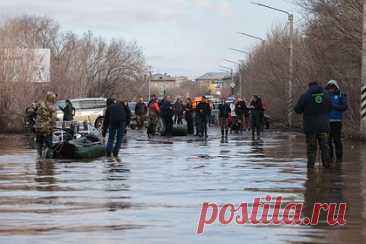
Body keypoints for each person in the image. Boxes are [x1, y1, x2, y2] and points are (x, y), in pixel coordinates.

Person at [295, 81, 332, 169]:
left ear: (309, 87)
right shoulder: (326, 95)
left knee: (311, 148)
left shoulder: (305, 96)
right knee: (325, 147)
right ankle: (327, 168)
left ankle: (310, 169)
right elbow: (330, 108)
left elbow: (297, 110)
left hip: (310, 127)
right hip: (324, 126)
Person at [325, 80, 348, 163]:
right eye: (329, 88)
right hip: (326, 122)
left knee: (337, 140)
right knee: (327, 141)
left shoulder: (341, 95)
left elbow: (344, 107)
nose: (331, 89)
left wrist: (333, 106)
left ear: (335, 87)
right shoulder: (325, 95)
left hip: (337, 121)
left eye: (332, 87)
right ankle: (329, 158)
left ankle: (339, 159)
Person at [33, 91, 57, 158]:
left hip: (38, 128)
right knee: (49, 144)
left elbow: (32, 110)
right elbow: (53, 119)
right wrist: (53, 127)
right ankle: (48, 161)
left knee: (39, 143)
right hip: (47, 129)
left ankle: (39, 157)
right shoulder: (52, 107)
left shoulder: (40, 103)